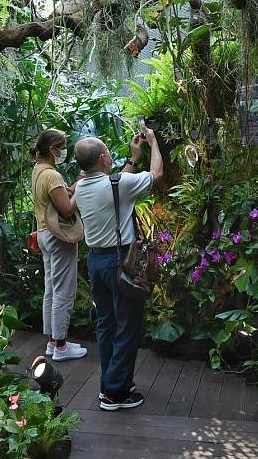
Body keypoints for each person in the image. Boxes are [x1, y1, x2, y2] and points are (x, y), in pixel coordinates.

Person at [73, 126, 163, 411]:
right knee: (128, 324)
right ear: (102, 159)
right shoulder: (116, 184)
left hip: (96, 262)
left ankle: (111, 382)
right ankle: (115, 393)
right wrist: (153, 142)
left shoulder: (80, 188)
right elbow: (156, 175)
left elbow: (116, 184)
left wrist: (134, 159)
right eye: (108, 153)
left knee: (107, 322)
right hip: (120, 261)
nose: (111, 156)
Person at [30, 129, 87, 362]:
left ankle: (53, 342)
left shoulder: (38, 170)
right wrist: (81, 188)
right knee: (63, 290)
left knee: (51, 289)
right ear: (53, 150)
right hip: (58, 236)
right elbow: (66, 209)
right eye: (62, 147)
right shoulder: (52, 175)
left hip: (43, 234)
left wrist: (73, 186)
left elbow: (58, 197)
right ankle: (61, 345)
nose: (64, 151)